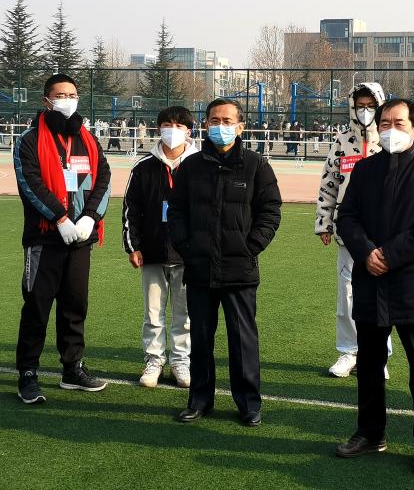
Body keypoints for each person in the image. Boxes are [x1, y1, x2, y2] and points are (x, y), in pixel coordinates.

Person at [333, 98, 414, 474]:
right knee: (369, 364)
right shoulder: (365, 169)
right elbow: (347, 217)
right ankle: (371, 433)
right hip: (370, 280)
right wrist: (367, 251)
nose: (389, 130)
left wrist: (389, 254)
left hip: (413, 283)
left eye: (398, 123)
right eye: (384, 123)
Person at [168, 98, 282, 427]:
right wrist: (187, 247)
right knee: (201, 338)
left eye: (227, 121)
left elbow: (270, 210)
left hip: (240, 270)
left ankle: (249, 404)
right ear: (205, 124)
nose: (220, 126)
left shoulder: (256, 165)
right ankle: (199, 400)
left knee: (243, 340)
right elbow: (176, 211)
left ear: (240, 126)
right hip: (200, 268)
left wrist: (251, 246)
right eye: (214, 120)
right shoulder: (191, 166)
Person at [14, 74, 112, 404]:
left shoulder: (88, 139)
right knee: (37, 307)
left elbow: (104, 179)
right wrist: (60, 218)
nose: (67, 100)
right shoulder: (29, 140)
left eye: (72, 95)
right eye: (60, 95)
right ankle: (28, 373)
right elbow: (31, 184)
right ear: (47, 101)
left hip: (81, 238)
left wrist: (89, 217)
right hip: (45, 237)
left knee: (75, 305)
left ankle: (72, 368)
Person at [315, 83, 389, 378]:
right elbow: (329, 182)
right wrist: (324, 222)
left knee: (382, 296)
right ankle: (349, 351)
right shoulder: (342, 140)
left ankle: (379, 356)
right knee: (346, 296)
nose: (365, 111)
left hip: (384, 233)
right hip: (349, 232)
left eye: (371, 106)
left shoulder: (389, 139)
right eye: (360, 106)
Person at [122, 106, 198, 389]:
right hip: (152, 252)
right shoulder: (143, 167)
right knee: (153, 314)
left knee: (185, 315)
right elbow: (130, 209)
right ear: (158, 129)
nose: (172, 130)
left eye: (179, 126)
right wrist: (133, 246)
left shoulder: (200, 165)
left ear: (189, 131)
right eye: (167, 125)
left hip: (188, 255)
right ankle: (154, 360)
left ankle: (181, 361)